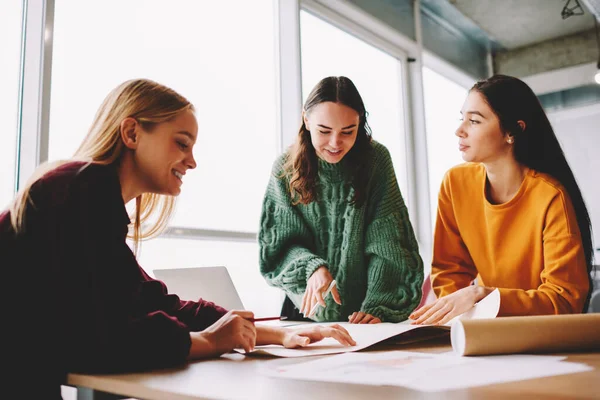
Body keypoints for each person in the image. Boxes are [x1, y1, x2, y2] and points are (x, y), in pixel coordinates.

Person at [0, 79, 355, 399]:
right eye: (181, 143)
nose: (193, 162)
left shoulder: (89, 194)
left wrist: (273, 335)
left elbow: (154, 303)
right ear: (132, 133)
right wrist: (210, 342)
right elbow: (103, 336)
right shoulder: (84, 187)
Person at [410, 74, 594, 325]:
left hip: (540, 337)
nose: (459, 130)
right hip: (482, 330)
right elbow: (449, 271)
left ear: (512, 131)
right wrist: (462, 318)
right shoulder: (455, 183)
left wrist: (482, 295)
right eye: (461, 118)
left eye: (474, 121)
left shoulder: (551, 196)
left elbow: (563, 301)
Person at [258, 76, 423, 324]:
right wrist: (312, 267)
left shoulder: (376, 161)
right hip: (303, 310)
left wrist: (379, 306)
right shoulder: (285, 168)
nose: (335, 143)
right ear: (306, 120)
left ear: (361, 124)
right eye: (324, 131)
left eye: (348, 131)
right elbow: (277, 248)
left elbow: (389, 243)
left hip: (366, 311)